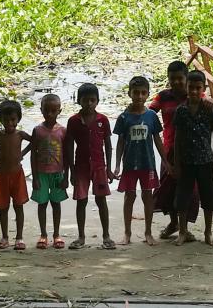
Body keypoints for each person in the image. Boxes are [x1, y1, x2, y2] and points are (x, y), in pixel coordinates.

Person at [113, 76, 169, 246]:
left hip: (147, 164)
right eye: (135, 92)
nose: (139, 96)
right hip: (130, 164)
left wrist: (166, 161)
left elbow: (158, 140)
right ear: (129, 93)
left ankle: (148, 232)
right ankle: (127, 233)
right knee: (129, 197)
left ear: (148, 95)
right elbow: (120, 142)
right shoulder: (124, 117)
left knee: (147, 196)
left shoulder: (152, 116)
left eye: (143, 93)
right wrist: (117, 165)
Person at [150, 60, 200, 240]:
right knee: (168, 188)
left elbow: (209, 112)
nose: (177, 82)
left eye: (180, 78)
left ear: (186, 78)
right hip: (169, 149)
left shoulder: (195, 96)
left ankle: (184, 228)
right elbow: (149, 112)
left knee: (188, 190)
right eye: (173, 79)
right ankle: (174, 223)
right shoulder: (162, 97)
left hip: (191, 150)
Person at [63, 83, 116, 250]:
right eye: (85, 100)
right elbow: (69, 147)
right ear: (79, 101)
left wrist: (109, 168)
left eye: (93, 100)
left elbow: (108, 144)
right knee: (81, 200)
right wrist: (70, 170)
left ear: (98, 101)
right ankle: (81, 237)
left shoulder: (103, 120)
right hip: (81, 166)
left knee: (101, 200)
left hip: (99, 166)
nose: (89, 104)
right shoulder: (73, 121)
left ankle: (106, 236)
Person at [173, 70, 213, 247]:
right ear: (186, 87)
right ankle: (182, 231)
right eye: (191, 88)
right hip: (186, 162)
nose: (193, 91)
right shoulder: (181, 111)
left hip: (205, 161)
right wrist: (176, 163)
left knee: (209, 198)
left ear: (203, 88)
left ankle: (208, 232)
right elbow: (177, 138)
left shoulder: (210, 109)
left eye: (197, 88)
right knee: (183, 198)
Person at [0, 100, 32, 250]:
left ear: (18, 119)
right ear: (1, 120)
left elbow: (34, 142)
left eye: (13, 120)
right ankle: (4, 237)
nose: (10, 123)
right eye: (6, 120)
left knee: (19, 206)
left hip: (17, 175)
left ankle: (19, 237)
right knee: (3, 208)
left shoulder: (20, 134)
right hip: (2, 176)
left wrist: (21, 154)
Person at [29, 94, 69, 249]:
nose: (50, 114)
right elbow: (33, 154)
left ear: (59, 111)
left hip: (58, 173)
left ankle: (56, 234)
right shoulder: (37, 130)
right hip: (41, 173)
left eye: (54, 111)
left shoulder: (63, 131)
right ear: (41, 110)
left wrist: (67, 176)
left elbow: (67, 155)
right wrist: (35, 177)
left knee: (56, 203)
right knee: (42, 204)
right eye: (47, 111)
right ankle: (43, 234)